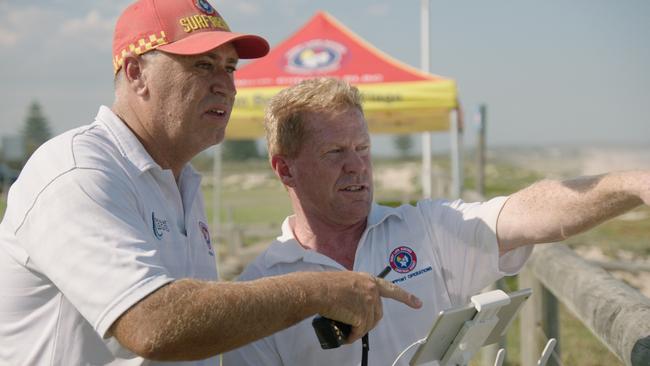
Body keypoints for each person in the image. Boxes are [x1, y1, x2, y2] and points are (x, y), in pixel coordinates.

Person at [0, 2, 422, 365]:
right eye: (202, 65)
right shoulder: (79, 172)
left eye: (230, 67)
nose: (225, 84)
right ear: (135, 73)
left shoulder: (176, 182)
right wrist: (316, 288)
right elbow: (152, 324)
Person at [222, 77, 650, 365]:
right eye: (335, 153)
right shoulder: (258, 291)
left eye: (364, 149)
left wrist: (633, 185)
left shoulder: (426, 228)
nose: (357, 167)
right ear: (285, 169)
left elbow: (532, 214)